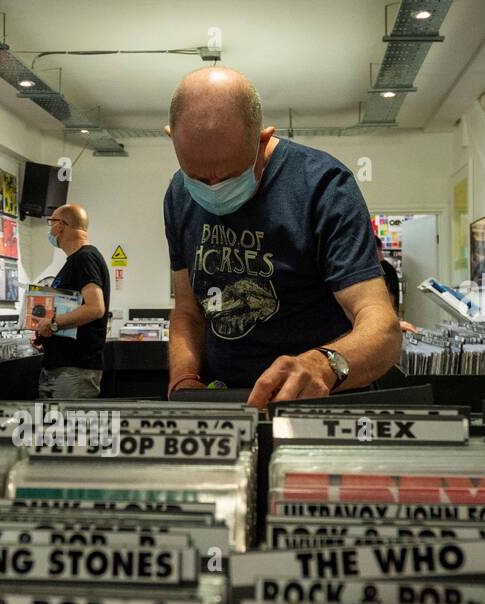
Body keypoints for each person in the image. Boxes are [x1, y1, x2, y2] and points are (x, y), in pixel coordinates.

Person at [163, 67, 401, 408]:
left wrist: (322, 365)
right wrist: (185, 378)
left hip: (319, 402)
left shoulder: (323, 186)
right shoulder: (177, 194)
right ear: (171, 137)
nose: (213, 189)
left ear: (262, 138)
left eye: (230, 176)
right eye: (198, 177)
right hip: (225, 402)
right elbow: (188, 309)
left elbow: (382, 328)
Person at [31, 203, 109, 399]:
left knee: (69, 429)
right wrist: (45, 332)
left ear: (61, 225)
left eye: (51, 223)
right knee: (51, 429)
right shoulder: (74, 261)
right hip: (58, 367)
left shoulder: (85, 258)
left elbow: (95, 308)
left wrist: (54, 323)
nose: (50, 229)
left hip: (75, 370)